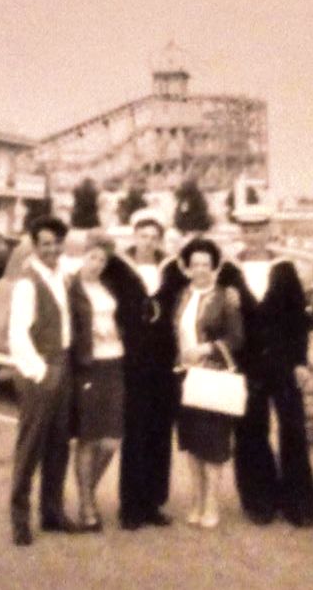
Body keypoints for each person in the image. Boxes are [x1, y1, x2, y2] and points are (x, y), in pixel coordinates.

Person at [222, 217, 313, 528]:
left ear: (268, 233)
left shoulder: (285, 269)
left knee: (292, 428)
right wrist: (228, 304)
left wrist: (301, 362)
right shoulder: (229, 271)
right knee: (251, 430)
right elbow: (216, 315)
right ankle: (259, 500)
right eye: (247, 231)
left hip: (283, 361)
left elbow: (298, 320)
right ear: (242, 233)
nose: (252, 236)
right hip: (246, 363)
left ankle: (299, 503)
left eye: (258, 231)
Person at [103, 208, 188, 530]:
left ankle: (153, 502)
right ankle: (131, 506)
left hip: (163, 360)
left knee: (159, 430)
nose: (148, 242)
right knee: (135, 430)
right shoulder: (117, 268)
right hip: (131, 358)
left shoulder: (171, 269)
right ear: (133, 236)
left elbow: (204, 278)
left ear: (160, 240)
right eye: (143, 236)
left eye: (154, 237)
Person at [8, 215, 78, 546]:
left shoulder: (61, 275)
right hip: (41, 369)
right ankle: (19, 519)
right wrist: (40, 372)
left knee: (59, 445)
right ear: (35, 246)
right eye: (45, 244)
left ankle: (52, 513)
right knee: (30, 446)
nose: (52, 249)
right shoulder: (27, 282)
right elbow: (17, 334)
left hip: (63, 366)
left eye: (56, 243)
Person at [173, 238, 243, 529]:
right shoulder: (181, 296)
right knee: (191, 443)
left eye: (206, 264)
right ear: (187, 268)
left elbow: (237, 338)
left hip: (212, 378)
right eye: (195, 264)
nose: (200, 269)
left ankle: (213, 502)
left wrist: (207, 349)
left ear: (214, 268)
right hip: (184, 377)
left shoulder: (225, 298)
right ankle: (197, 500)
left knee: (213, 443)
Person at [68, 232, 125, 532]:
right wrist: (86, 338)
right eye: (92, 257)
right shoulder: (70, 287)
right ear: (83, 255)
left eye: (103, 259)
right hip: (89, 366)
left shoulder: (108, 286)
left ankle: (87, 493)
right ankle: (87, 505)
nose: (97, 264)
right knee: (88, 437)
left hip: (115, 363)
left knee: (113, 438)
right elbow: (65, 326)